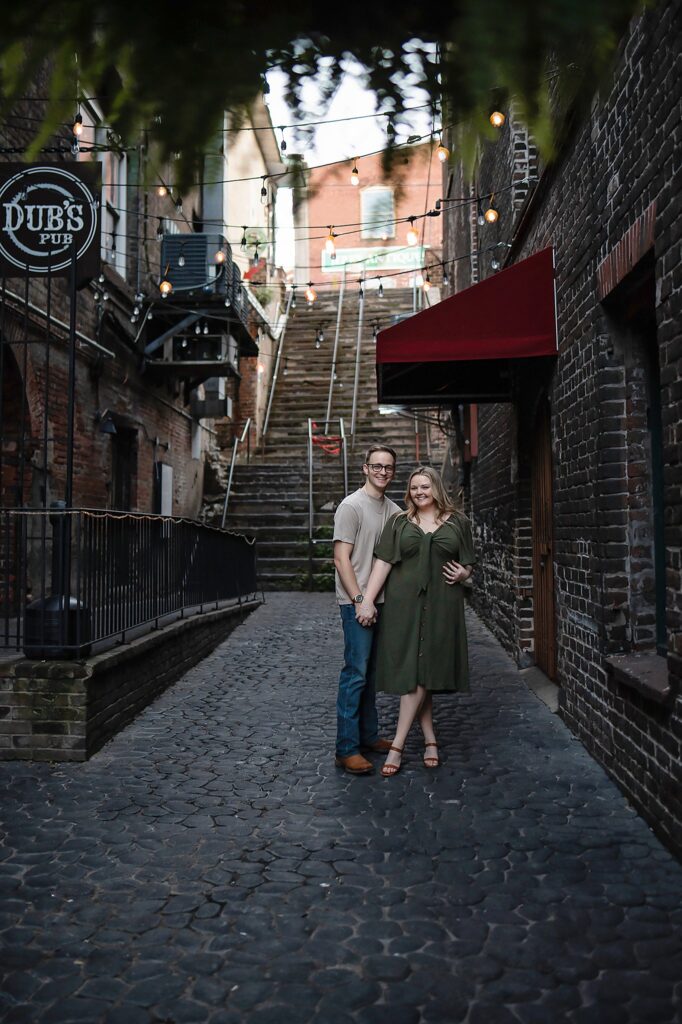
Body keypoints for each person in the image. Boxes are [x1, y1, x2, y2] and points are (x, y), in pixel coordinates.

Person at [359, 466, 476, 778]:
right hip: (404, 604)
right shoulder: (398, 522)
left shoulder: (459, 522)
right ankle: (427, 741)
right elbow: (383, 562)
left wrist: (464, 575)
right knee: (416, 671)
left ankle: (402, 743)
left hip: (443, 604)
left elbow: (468, 567)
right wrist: (368, 599)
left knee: (428, 669)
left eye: (424, 487)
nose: (419, 493)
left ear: (436, 487)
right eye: (413, 488)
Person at [333, 443, 402, 775]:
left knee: (372, 674)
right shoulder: (351, 506)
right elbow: (340, 558)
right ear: (365, 468)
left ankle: (369, 736)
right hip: (356, 604)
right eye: (376, 466)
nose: (382, 472)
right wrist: (361, 600)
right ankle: (346, 749)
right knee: (355, 674)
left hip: (384, 603)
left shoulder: (393, 510)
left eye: (388, 467)